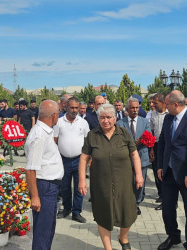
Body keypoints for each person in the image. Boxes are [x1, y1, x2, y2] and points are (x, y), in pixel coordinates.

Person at [78, 103, 143, 250]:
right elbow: (83, 158)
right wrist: (82, 180)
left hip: (124, 182)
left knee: (128, 213)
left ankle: (123, 237)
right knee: (103, 214)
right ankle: (108, 248)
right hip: (101, 184)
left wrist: (139, 175)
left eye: (108, 117)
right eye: (102, 117)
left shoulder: (124, 133)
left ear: (114, 118)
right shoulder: (92, 135)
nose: (105, 120)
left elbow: (134, 154)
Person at [156, 90, 187, 250]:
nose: (164, 106)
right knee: (167, 209)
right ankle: (173, 236)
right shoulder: (168, 118)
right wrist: (160, 166)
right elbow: (163, 143)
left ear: (175, 104)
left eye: (167, 104)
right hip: (169, 173)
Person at [24, 100, 63, 250]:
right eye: (58, 113)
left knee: (48, 228)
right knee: (42, 231)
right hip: (43, 187)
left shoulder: (45, 132)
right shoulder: (39, 136)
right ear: (54, 116)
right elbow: (30, 169)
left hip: (49, 187)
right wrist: (35, 196)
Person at [54, 97, 90, 223]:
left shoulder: (83, 123)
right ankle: (67, 209)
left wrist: (88, 159)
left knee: (79, 187)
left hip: (79, 160)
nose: (74, 110)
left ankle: (76, 212)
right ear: (66, 107)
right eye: (72, 107)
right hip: (63, 160)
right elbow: (54, 140)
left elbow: (87, 141)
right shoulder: (59, 122)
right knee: (64, 187)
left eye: (76, 108)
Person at [117, 97, 151, 216]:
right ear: (127, 109)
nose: (135, 110)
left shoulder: (145, 121)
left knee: (139, 183)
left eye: (137, 107)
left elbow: (149, 137)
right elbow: (118, 139)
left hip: (142, 157)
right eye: (132, 108)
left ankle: (136, 203)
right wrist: (132, 144)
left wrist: (140, 142)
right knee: (127, 182)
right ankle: (127, 203)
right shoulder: (120, 123)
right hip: (126, 158)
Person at [149, 93, 168, 210]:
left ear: (162, 103)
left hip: (167, 146)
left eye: (155, 103)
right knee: (157, 171)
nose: (153, 105)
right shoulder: (152, 115)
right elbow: (151, 132)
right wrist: (151, 148)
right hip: (156, 146)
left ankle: (169, 200)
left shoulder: (169, 115)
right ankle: (161, 194)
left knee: (166, 173)